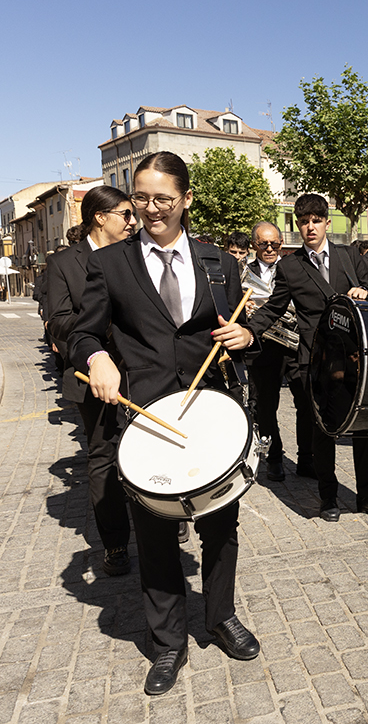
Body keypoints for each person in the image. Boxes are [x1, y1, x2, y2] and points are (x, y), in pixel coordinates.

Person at [68, 151, 259, 695]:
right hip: (146, 418)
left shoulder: (218, 262)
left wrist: (246, 339)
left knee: (221, 526)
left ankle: (219, 616)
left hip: (209, 413)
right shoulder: (109, 264)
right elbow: (83, 335)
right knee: (154, 535)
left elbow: (233, 330)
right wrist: (96, 358)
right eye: (141, 198)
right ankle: (167, 641)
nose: (150, 209)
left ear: (186, 199)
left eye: (163, 199)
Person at [248, 193, 368, 523]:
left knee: (361, 429)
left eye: (316, 220)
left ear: (327, 222)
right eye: (303, 221)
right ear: (297, 225)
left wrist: (366, 291)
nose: (310, 226)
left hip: (356, 356)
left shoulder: (350, 257)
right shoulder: (289, 265)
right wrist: (248, 331)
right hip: (313, 359)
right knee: (322, 430)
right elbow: (273, 307)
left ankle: (367, 495)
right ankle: (328, 497)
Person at [47, 186, 135, 576]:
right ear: (100, 217)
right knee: (103, 457)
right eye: (126, 215)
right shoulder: (64, 263)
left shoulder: (136, 255)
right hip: (91, 375)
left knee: (151, 446)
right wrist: (100, 327)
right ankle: (115, 543)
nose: (133, 222)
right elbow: (58, 320)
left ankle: (168, 518)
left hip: (140, 369)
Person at [245, 221, 295, 481]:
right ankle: (274, 458)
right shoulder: (243, 272)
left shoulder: (292, 267)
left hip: (293, 345)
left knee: (306, 404)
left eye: (274, 244)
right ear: (254, 244)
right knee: (266, 407)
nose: (269, 248)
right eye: (263, 244)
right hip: (263, 346)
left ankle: (308, 459)